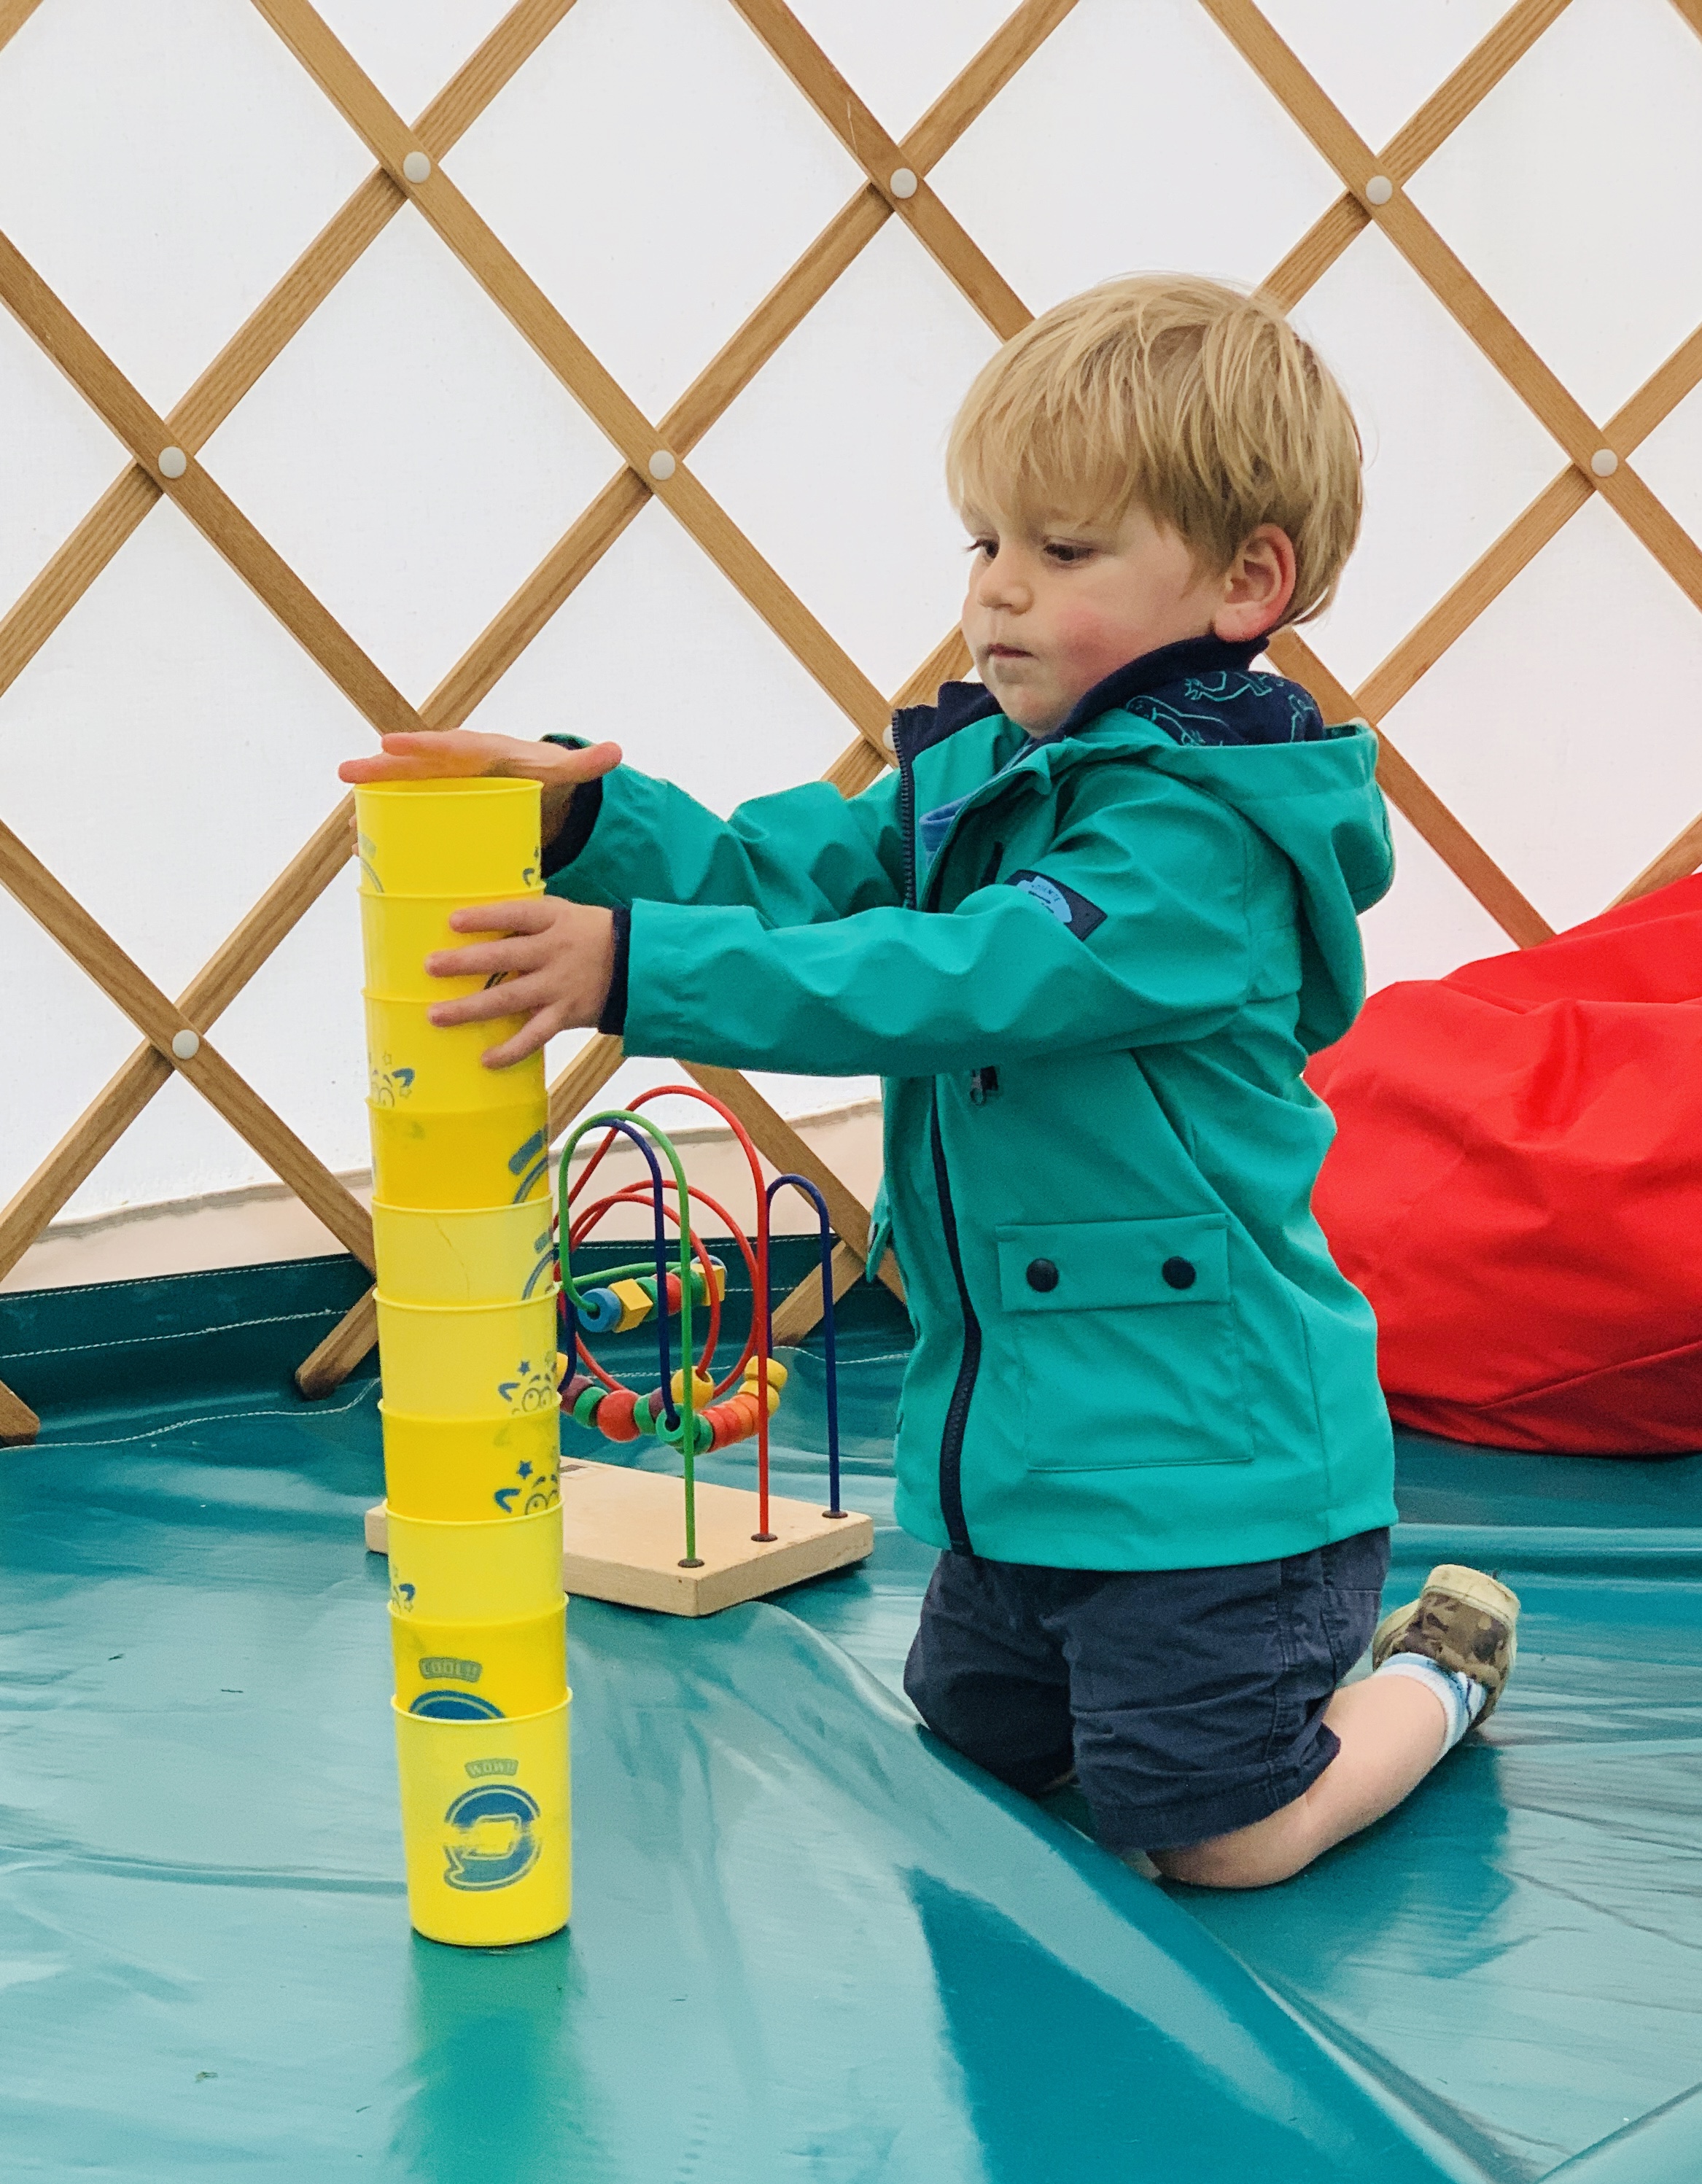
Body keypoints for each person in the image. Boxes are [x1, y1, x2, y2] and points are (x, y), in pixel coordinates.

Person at [341, 274, 1519, 1887]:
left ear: (1248, 580)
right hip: (1018, 1465)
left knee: (1207, 1836)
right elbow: (794, 872)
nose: (999, 595)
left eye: (1065, 550)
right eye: (984, 545)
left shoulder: (1208, 842)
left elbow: (957, 979)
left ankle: (1431, 1671)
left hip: (1219, 1473)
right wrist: (581, 829)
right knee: (982, 1769)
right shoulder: (974, 774)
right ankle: (1254, 1683)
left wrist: (633, 969)